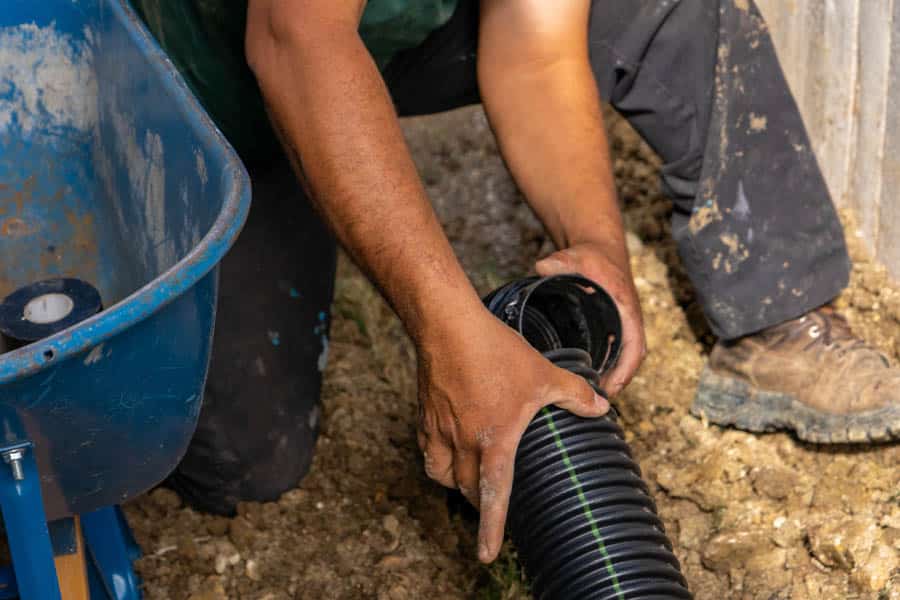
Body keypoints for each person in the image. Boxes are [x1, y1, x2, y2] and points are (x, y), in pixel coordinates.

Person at [132, 0, 900, 564]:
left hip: (387, 35)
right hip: (216, 67)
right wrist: (450, 332)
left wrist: (596, 244)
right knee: (248, 467)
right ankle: (295, 170)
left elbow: (534, 40)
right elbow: (294, 38)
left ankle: (782, 316)